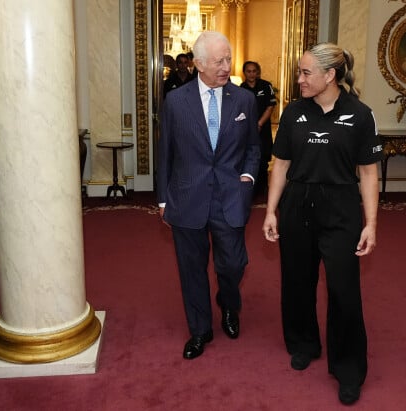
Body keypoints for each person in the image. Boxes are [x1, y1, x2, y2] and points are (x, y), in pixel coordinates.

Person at [262, 42, 382, 405]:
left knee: (344, 290)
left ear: (331, 75)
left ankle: (348, 369)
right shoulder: (294, 112)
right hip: (297, 204)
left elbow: (368, 173)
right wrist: (270, 210)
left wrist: (371, 223)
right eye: (300, 72)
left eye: (305, 72)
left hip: (341, 209)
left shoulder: (360, 115)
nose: (299, 79)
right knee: (298, 281)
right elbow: (280, 164)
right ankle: (304, 343)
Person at [157, 31, 260, 360]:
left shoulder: (244, 99)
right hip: (188, 197)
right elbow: (166, 154)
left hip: (230, 196)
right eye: (219, 61)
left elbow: (254, 149)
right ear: (198, 63)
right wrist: (162, 200)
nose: (226, 66)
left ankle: (229, 305)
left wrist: (247, 177)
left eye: (228, 58)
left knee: (233, 264)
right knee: (191, 268)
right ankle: (200, 330)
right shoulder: (175, 101)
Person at [240, 61, 277, 200]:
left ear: (258, 72)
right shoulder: (241, 88)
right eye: (248, 71)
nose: (251, 74)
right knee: (249, 158)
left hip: (263, 130)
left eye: (254, 71)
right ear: (245, 73)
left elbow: (270, 106)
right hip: (247, 131)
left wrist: (260, 123)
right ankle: (251, 189)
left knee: (263, 159)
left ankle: (263, 189)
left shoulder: (266, 86)